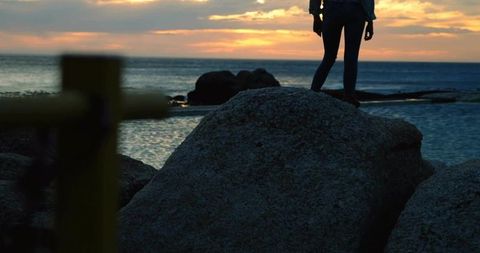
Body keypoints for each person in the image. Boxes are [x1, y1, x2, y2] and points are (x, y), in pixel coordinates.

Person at [309, 0, 376, 107]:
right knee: (351, 56)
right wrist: (370, 19)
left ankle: (313, 91)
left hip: (332, 9)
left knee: (329, 56)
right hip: (355, 10)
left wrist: (315, 16)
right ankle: (349, 96)